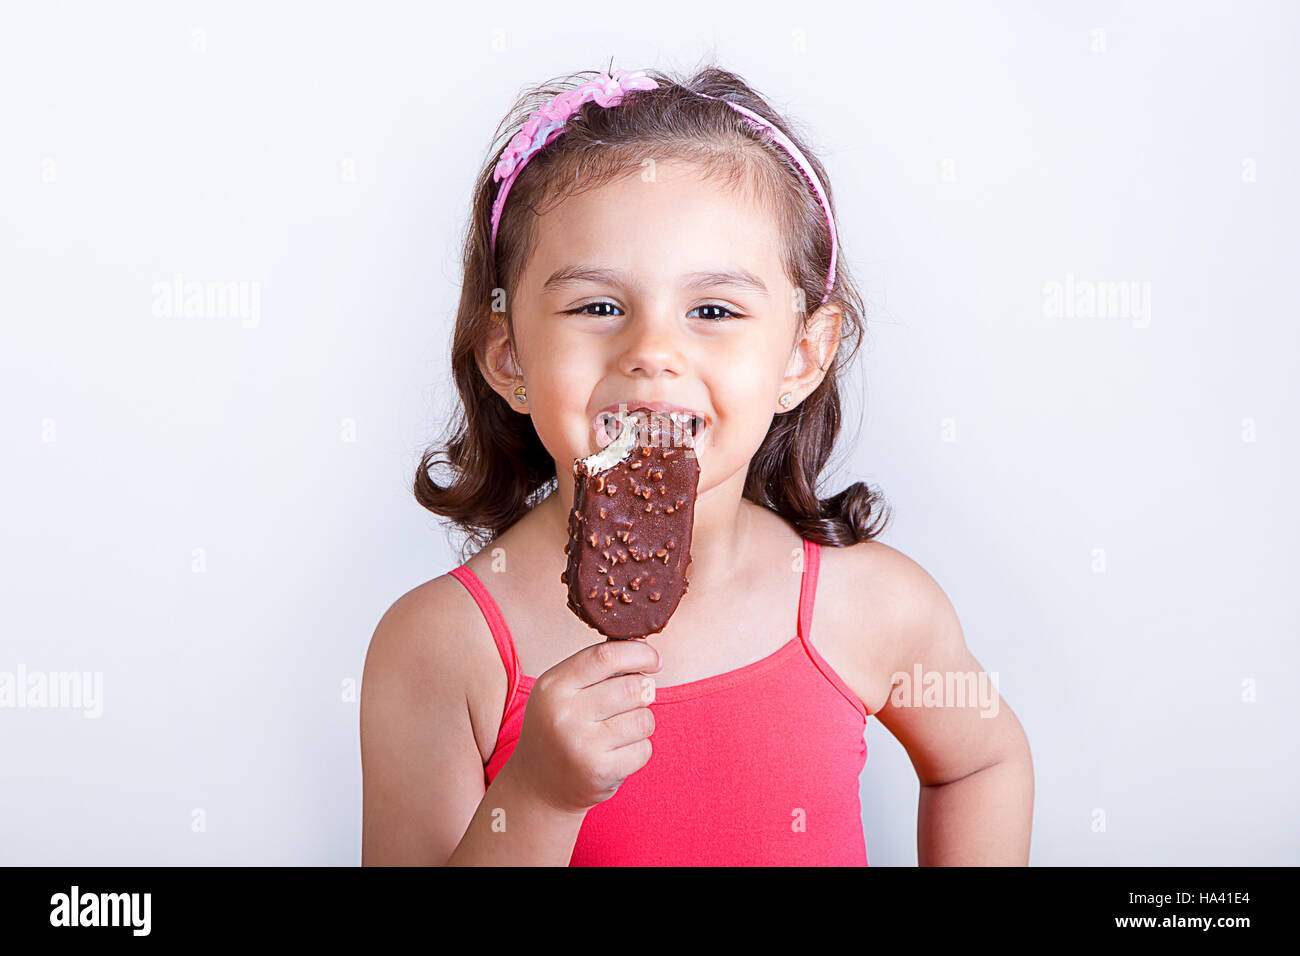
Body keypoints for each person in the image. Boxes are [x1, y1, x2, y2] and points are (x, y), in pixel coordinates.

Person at [360, 63, 1033, 866]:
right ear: (508, 356)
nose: (652, 353)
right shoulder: (442, 646)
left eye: (712, 310)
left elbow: (983, 762)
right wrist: (539, 796)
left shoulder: (874, 606)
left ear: (802, 354)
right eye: (597, 307)